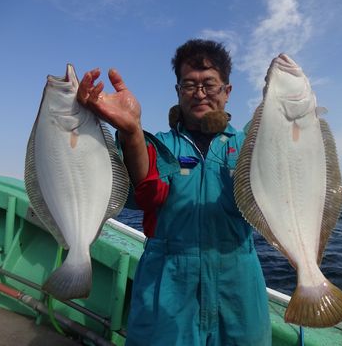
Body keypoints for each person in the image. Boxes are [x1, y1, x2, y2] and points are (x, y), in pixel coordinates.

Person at [77, 39, 271, 346]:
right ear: (178, 91)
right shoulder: (161, 144)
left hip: (238, 284)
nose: (200, 94)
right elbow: (146, 192)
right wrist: (131, 132)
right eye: (189, 85)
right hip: (168, 282)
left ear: (227, 91)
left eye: (209, 84)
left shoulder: (250, 144)